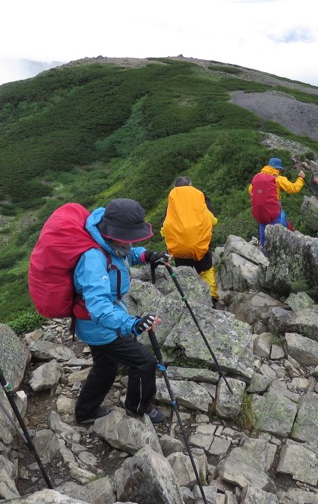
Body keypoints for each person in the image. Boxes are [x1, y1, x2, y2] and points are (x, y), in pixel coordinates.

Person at [72, 198, 169, 425]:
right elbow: (100, 309)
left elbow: (126, 253)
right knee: (144, 362)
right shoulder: (93, 259)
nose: (130, 242)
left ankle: (85, 413)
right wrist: (132, 324)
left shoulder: (108, 241)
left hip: (99, 323)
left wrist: (147, 256)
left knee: (106, 366)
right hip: (101, 326)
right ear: (114, 233)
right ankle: (138, 407)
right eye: (129, 236)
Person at [160, 176, 219, 301]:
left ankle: (189, 299)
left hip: (179, 249)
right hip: (200, 246)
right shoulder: (200, 201)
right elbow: (213, 221)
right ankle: (211, 297)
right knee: (205, 270)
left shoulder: (171, 206)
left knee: (183, 273)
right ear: (191, 186)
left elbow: (164, 229)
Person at [248, 157, 306, 248]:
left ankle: (264, 251)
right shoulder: (278, 179)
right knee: (276, 232)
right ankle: (277, 251)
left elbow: (250, 190)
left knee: (263, 227)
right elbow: (293, 188)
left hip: (260, 211)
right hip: (273, 211)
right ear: (278, 168)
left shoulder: (258, 177)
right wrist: (300, 179)